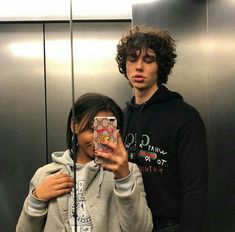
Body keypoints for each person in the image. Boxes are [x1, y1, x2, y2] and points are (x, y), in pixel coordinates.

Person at [116, 25, 208, 232]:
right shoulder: (120, 117)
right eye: (133, 59)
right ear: (125, 65)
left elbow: (195, 190)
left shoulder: (185, 117)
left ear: (160, 66)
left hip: (169, 226)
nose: (139, 67)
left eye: (149, 60)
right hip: (126, 224)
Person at [16, 93, 153, 232]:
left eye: (105, 131)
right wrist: (36, 199)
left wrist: (124, 179)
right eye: (91, 129)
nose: (97, 139)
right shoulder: (45, 174)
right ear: (74, 126)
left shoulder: (127, 171)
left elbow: (141, 229)